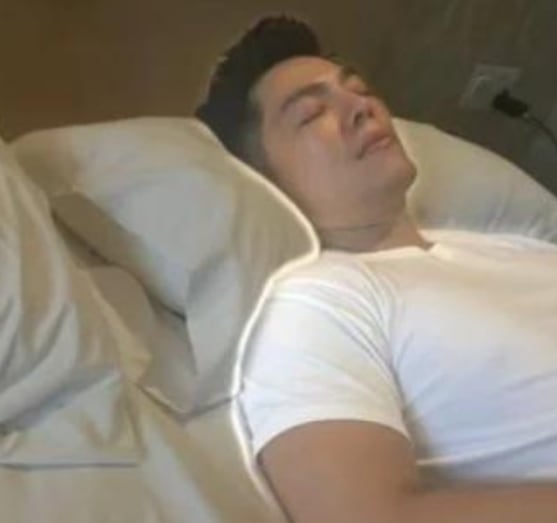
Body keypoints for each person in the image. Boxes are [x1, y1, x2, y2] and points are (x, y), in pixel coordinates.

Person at [196, 15, 557, 523]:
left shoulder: (512, 248)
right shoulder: (317, 303)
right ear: (262, 182)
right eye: (311, 114)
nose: (361, 107)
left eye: (360, 90)